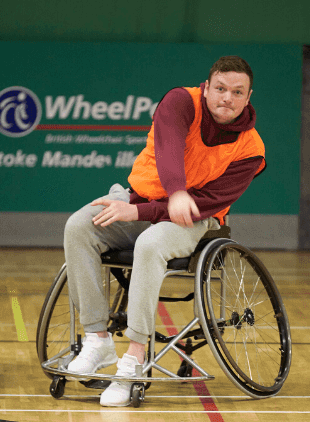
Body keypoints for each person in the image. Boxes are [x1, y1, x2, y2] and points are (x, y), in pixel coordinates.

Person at [63, 55, 264, 407]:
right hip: (144, 200)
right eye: (220, 89)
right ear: (206, 88)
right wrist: (160, 198)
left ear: (248, 97)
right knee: (81, 225)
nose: (226, 98)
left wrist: (147, 208)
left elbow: (203, 204)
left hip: (195, 222)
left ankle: (135, 358)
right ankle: (97, 340)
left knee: (151, 242)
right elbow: (168, 149)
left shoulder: (252, 151)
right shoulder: (181, 102)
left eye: (237, 92)